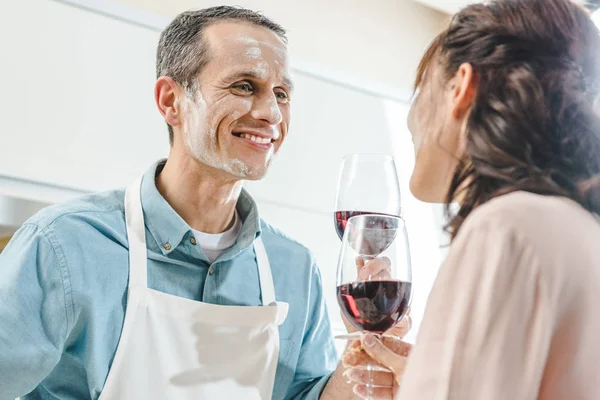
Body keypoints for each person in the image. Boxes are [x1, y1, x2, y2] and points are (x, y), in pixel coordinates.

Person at [0, 6, 388, 399]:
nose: (271, 113)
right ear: (171, 100)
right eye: (244, 86)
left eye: (282, 94)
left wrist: (362, 362)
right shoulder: (61, 245)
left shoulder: (296, 268)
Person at [344, 0, 600, 398]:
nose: (412, 118)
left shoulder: (505, 228)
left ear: (461, 87)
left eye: (420, 88)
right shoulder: (580, 229)